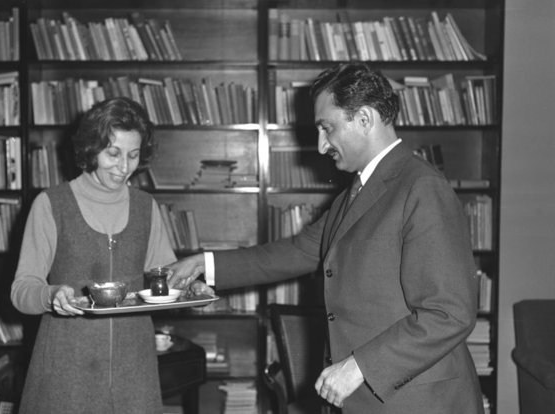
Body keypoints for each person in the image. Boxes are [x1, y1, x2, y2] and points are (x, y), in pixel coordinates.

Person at [167, 63, 484, 414]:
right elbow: (296, 252)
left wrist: (358, 367)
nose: (321, 146)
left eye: (327, 128)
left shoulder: (422, 188)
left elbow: (449, 313)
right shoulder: (358, 192)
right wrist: (204, 263)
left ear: (364, 119)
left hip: (418, 402)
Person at [10, 97, 177, 413]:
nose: (124, 167)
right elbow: (21, 291)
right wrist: (51, 295)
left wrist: (190, 285)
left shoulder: (146, 207)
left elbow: (166, 277)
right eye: (113, 154)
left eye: (133, 155)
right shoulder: (51, 204)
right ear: (91, 150)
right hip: (67, 371)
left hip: (134, 370)